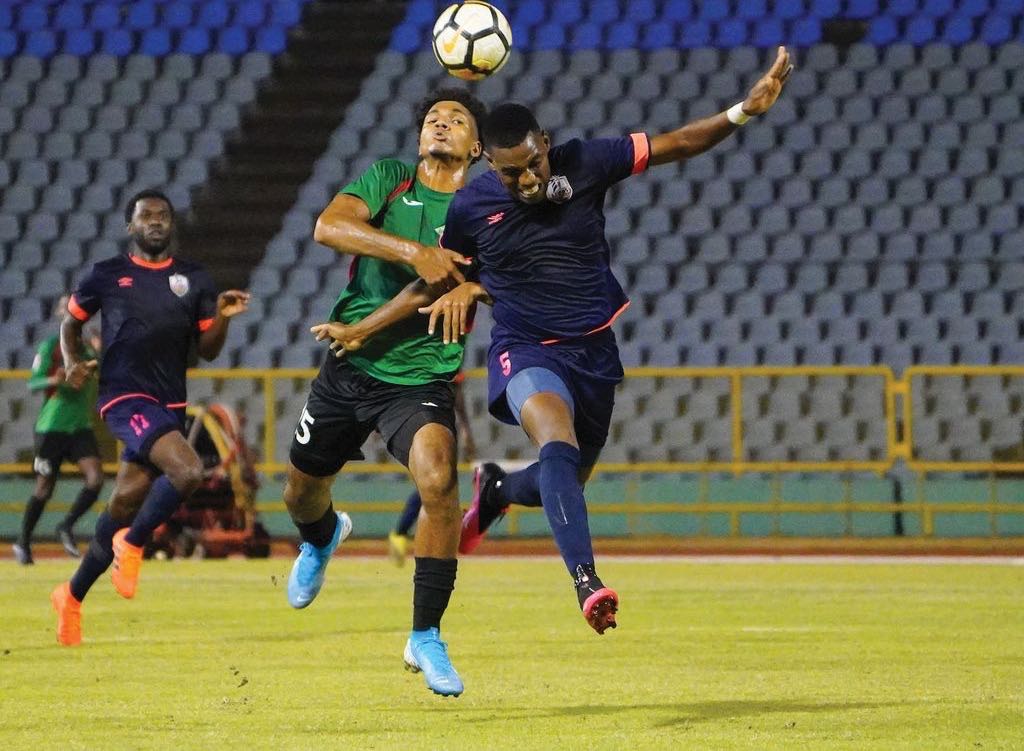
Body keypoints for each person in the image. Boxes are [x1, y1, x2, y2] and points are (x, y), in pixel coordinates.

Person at [418, 48, 794, 635]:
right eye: (511, 172)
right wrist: (467, 289)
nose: (528, 180)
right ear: (489, 164)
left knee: (560, 477)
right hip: (525, 348)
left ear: (546, 142)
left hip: (593, 351)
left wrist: (742, 111)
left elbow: (679, 144)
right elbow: (448, 274)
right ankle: (587, 582)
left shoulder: (587, 162)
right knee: (555, 440)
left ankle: (494, 490)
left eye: (534, 164)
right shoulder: (471, 206)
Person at [283, 88, 486, 697]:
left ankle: (425, 634)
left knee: (440, 480)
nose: (440, 125)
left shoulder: (480, 207)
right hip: (349, 366)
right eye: (432, 119)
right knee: (299, 492)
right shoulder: (390, 179)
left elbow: (436, 290)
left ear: (476, 147)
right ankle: (324, 537)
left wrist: (462, 288)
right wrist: (412, 250)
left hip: (420, 375)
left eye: (455, 120)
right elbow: (329, 226)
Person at [50, 189, 249, 646]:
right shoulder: (107, 275)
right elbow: (71, 322)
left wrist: (222, 316)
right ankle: (134, 543)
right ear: (130, 226)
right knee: (188, 469)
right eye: (146, 216)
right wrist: (72, 358)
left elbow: (208, 351)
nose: (155, 221)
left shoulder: (193, 278)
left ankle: (71, 595)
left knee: (125, 499)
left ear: (171, 224)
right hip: (123, 397)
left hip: (169, 404)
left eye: (162, 215)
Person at [14, 297, 103, 565]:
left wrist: (98, 353)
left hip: (79, 427)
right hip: (52, 427)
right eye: (67, 309)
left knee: (96, 479)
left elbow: (104, 370)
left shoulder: (89, 350)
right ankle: (23, 542)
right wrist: (55, 378)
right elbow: (32, 384)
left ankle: (66, 525)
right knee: (44, 489)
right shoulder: (51, 347)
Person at [388, 371, 476, 566]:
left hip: (441, 430)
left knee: (436, 488)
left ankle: (405, 536)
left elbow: (459, 403)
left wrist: (466, 432)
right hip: (425, 429)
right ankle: (405, 536)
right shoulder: (428, 365)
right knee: (430, 488)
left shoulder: (448, 368)